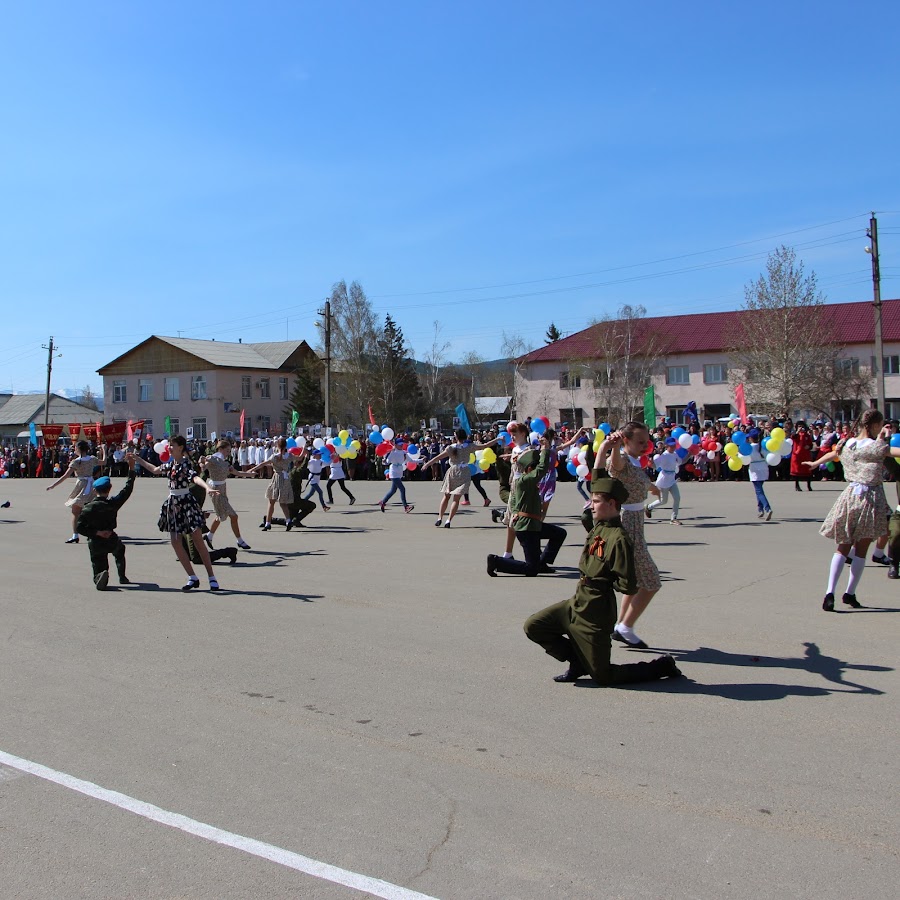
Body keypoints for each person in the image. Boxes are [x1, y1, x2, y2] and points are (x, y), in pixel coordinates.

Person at [523, 473, 682, 686]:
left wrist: (604, 581)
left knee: (603, 676)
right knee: (534, 625)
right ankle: (578, 662)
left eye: (596, 501)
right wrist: (605, 446)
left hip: (596, 613)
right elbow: (596, 477)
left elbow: (629, 584)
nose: (591, 505)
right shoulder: (598, 525)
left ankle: (661, 666)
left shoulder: (619, 539)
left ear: (612, 503)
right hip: (577, 603)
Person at [803, 409, 900, 610]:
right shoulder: (877, 446)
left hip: (849, 497)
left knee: (842, 547)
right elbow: (893, 452)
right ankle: (850, 593)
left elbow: (833, 454)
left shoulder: (847, 443)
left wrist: (815, 462)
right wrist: (885, 440)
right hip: (870, 498)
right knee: (861, 549)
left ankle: (829, 593)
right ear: (874, 425)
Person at [597, 424, 662, 648]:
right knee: (652, 580)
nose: (645, 446)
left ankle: (620, 626)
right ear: (626, 440)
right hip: (627, 524)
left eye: (647, 441)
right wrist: (613, 447)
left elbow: (637, 482)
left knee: (634, 581)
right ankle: (625, 627)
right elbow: (615, 467)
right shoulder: (622, 457)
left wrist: (652, 487)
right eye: (640, 442)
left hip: (636, 522)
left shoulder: (635, 460)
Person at [133, 434, 221, 591]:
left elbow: (195, 478)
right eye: (170, 445)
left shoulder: (185, 464)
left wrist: (207, 488)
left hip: (186, 503)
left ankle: (211, 576)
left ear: (180, 447)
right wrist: (137, 459)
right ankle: (192, 577)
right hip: (173, 504)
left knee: (197, 540)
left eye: (172, 445)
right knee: (175, 541)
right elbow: (154, 469)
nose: (169, 448)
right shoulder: (170, 465)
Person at [486, 440, 567, 576]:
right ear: (529, 469)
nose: (539, 471)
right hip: (527, 528)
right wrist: (545, 450)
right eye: (535, 467)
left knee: (559, 533)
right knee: (531, 569)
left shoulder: (527, 482)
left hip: (533, 525)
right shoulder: (525, 480)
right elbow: (542, 469)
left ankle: (542, 561)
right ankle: (496, 562)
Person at [75, 455, 136, 590]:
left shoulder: (88, 507)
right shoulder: (113, 503)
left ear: (94, 490)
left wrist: (97, 532)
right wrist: (131, 468)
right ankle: (122, 576)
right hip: (110, 537)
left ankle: (100, 576)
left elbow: (79, 527)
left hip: (95, 539)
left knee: (98, 561)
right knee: (120, 550)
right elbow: (128, 489)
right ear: (109, 489)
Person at [422, 428, 499, 527]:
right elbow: (485, 446)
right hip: (464, 472)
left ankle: (439, 518)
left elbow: (438, 457)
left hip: (453, 471)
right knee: (456, 499)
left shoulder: (451, 448)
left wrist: (427, 464)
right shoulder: (469, 446)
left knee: (446, 496)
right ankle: (448, 520)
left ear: (456, 436)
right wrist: (497, 439)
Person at [46, 439, 106, 544]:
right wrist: (104, 450)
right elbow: (104, 462)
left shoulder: (77, 462)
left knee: (75, 511)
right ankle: (93, 532)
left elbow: (65, 476)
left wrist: (53, 485)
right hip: (91, 485)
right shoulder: (92, 459)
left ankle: (75, 535)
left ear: (78, 449)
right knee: (90, 510)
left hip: (81, 486)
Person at [199, 439, 252, 549]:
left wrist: (249, 474)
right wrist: (202, 462)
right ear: (221, 449)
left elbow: (237, 473)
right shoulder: (213, 458)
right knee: (233, 515)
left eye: (229, 451)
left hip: (223, 489)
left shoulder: (225, 462)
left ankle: (209, 536)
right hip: (215, 489)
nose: (228, 453)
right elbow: (204, 467)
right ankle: (240, 540)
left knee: (220, 515)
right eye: (227, 450)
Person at [254, 437, 299, 529]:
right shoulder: (289, 455)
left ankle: (268, 523)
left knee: (271, 501)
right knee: (283, 503)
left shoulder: (275, 457)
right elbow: (299, 458)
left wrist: (251, 469)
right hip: (286, 479)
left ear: (277, 446)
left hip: (277, 478)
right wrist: (304, 452)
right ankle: (288, 521)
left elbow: (262, 464)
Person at [645, 437, 684, 525]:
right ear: (666, 446)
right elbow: (655, 466)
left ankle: (674, 518)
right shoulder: (663, 456)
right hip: (663, 480)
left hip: (672, 480)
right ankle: (649, 507)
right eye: (671, 446)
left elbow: (680, 462)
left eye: (674, 445)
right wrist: (651, 463)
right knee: (663, 501)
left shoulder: (675, 454)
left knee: (677, 498)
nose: (673, 447)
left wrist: (689, 454)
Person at [379, 442, 414, 513]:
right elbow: (387, 462)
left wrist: (422, 460)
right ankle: (406, 507)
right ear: (396, 445)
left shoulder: (403, 452)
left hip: (399, 473)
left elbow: (411, 460)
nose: (401, 445)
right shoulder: (393, 453)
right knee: (402, 489)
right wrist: (384, 460)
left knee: (393, 490)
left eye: (402, 444)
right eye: (399, 444)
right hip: (394, 474)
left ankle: (383, 502)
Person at [747, 428, 773, 520]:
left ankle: (767, 508)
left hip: (755, 469)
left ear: (751, 438)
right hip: (764, 467)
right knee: (759, 490)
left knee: (759, 491)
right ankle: (760, 509)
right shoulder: (762, 445)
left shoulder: (750, 447)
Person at [790, 422, 814, 491]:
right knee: (797, 470)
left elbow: (811, 444)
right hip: (797, 455)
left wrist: (809, 446)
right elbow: (793, 437)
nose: (801, 427)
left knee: (807, 470)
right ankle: (797, 486)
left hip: (805, 455)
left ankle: (809, 486)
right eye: (799, 426)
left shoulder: (807, 435)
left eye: (802, 426)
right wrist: (797, 431)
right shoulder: (796, 435)